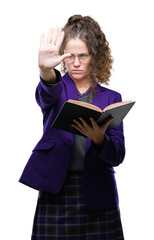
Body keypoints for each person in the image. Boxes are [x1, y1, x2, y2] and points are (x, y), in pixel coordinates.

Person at [19, 15, 125, 240]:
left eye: (83, 56)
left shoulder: (113, 98)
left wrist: (99, 139)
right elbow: (47, 92)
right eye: (70, 56)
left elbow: (117, 154)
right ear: (62, 57)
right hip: (56, 188)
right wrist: (45, 71)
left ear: (95, 57)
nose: (76, 63)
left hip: (98, 191)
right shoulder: (56, 88)